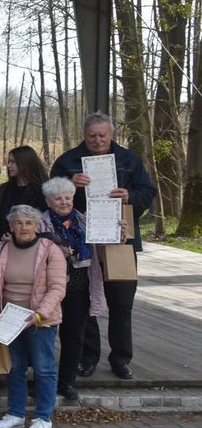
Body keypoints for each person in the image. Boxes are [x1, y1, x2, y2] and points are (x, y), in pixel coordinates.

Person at [51, 112, 155, 381]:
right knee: (83, 300)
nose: (97, 140)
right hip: (80, 240)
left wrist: (130, 195)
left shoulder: (130, 159)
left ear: (111, 134)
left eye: (102, 135)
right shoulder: (67, 161)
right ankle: (88, 358)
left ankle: (121, 359)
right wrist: (70, 185)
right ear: (84, 135)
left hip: (120, 237)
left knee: (121, 301)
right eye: (91, 135)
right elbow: (50, 194)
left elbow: (148, 192)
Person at [0, 205, 67, 428]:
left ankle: (43, 418)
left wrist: (40, 313)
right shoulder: (1, 248)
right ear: (11, 226)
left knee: (43, 369)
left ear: (37, 226)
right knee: (15, 367)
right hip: (9, 319)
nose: (24, 227)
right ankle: (16, 414)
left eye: (29, 223)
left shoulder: (51, 250)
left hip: (40, 319)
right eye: (18, 223)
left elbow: (58, 288)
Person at [37, 176, 107, 404]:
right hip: (48, 286)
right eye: (58, 198)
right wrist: (56, 250)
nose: (64, 202)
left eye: (68, 197)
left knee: (74, 336)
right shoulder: (40, 223)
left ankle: (67, 382)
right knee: (44, 335)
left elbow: (104, 245)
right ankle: (43, 381)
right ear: (48, 202)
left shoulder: (85, 221)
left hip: (79, 283)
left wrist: (118, 232)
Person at [0, 146, 48, 263]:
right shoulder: (5, 189)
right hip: (3, 250)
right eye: (8, 162)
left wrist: (16, 240)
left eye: (13, 162)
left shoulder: (41, 192)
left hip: (31, 253)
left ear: (25, 163)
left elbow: (43, 227)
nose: (9, 166)